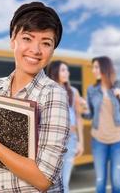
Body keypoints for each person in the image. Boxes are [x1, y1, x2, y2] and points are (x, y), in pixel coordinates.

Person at [0, 1, 70, 192]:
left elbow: (43, 179)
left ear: (52, 50)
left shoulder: (54, 94)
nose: (36, 50)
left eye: (46, 43)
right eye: (27, 38)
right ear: (13, 40)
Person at [83, 56, 120, 193]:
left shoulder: (118, 86)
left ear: (105, 68)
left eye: (96, 67)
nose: (93, 70)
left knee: (117, 181)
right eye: (93, 67)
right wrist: (84, 110)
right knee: (100, 180)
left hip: (117, 140)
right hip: (98, 140)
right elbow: (90, 115)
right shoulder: (91, 90)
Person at [46, 60, 84, 193]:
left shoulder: (73, 92)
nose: (67, 72)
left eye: (67, 70)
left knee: (65, 184)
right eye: (63, 70)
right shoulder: (48, 90)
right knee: (51, 182)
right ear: (55, 72)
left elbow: (78, 118)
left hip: (71, 140)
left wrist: (80, 142)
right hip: (52, 140)